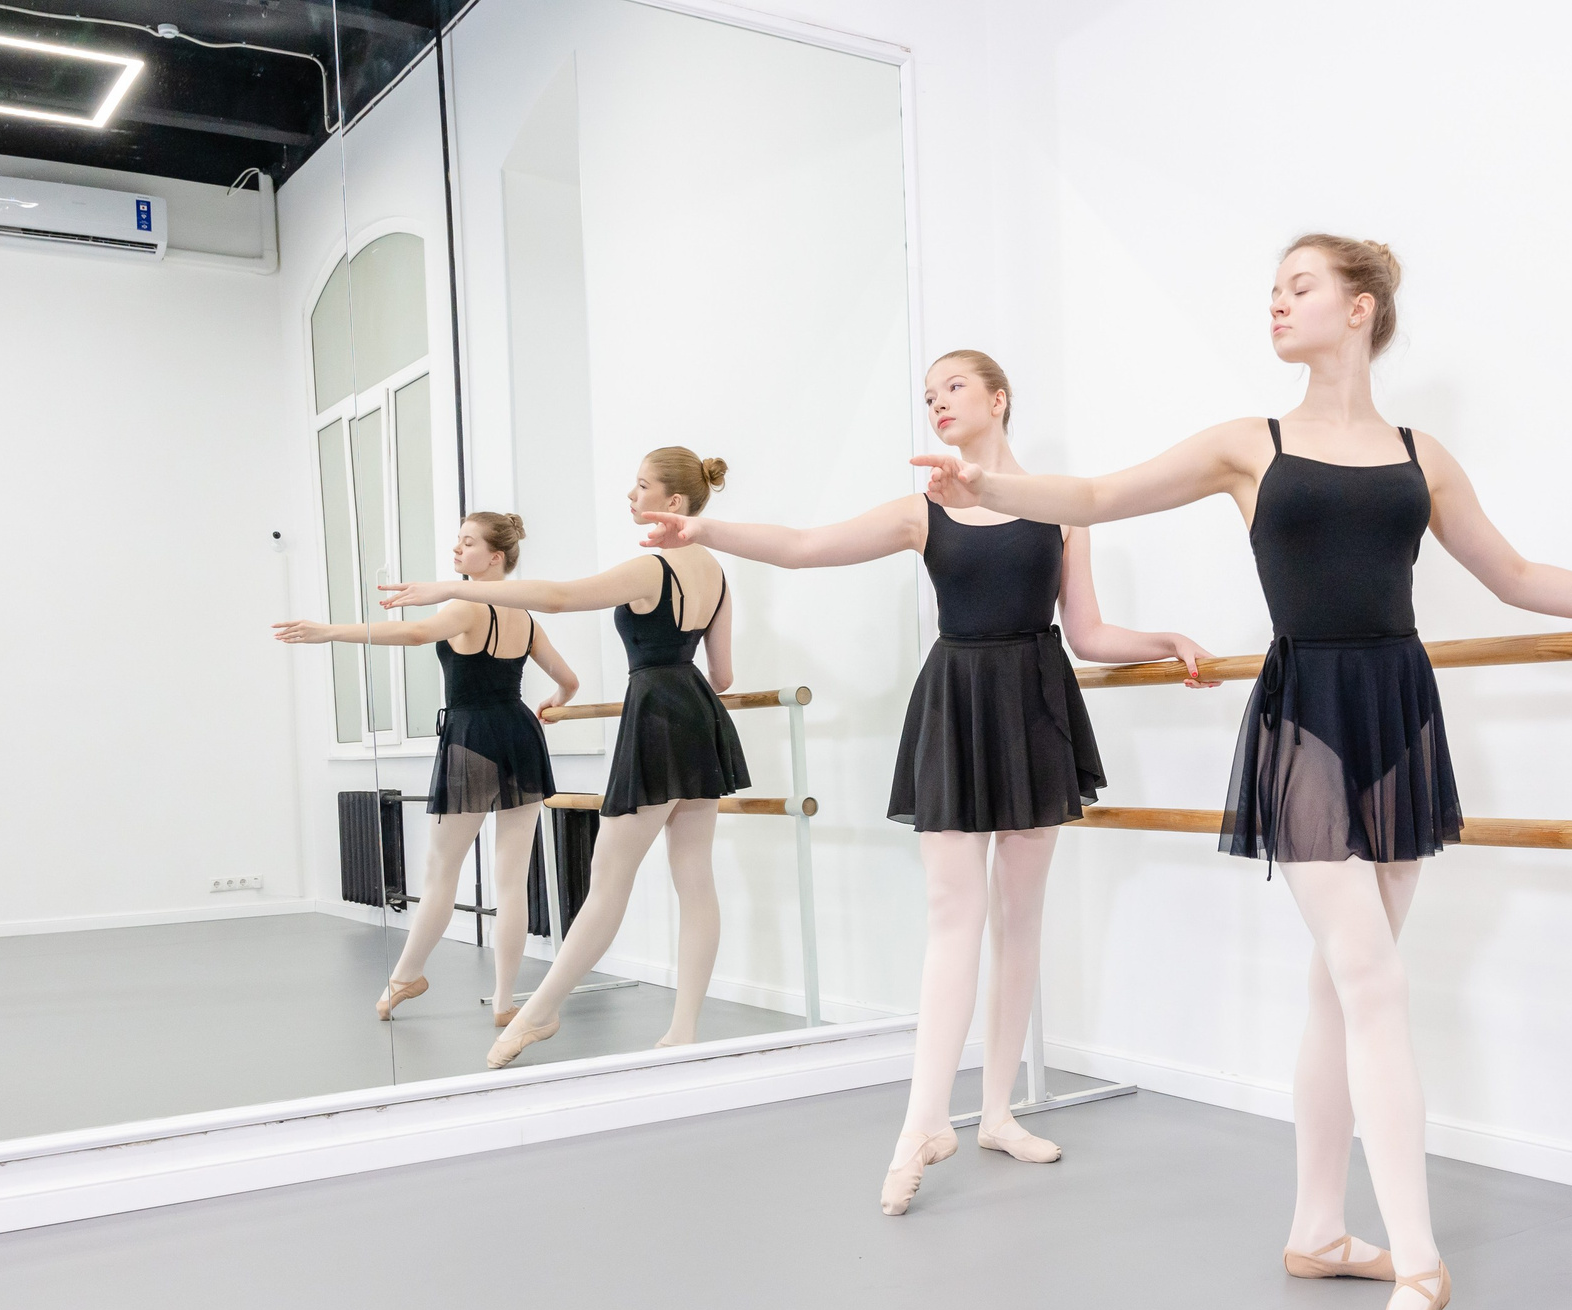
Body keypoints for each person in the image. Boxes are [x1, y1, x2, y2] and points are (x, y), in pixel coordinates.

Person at [911, 239, 1572, 1310]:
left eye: (1299, 287)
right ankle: (1422, 1262)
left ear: (1359, 309)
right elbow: (1093, 496)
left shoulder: (1420, 455)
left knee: (1343, 985)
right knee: (1373, 977)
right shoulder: (1250, 444)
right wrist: (990, 489)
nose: (1275, 304)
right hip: (1309, 714)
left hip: (1399, 709)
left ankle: (1319, 1227)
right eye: (1271, 290)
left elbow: (1514, 575)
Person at [640, 350, 1216, 1215]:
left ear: (998, 398)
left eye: (953, 387)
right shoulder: (924, 509)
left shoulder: (1060, 507)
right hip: (956, 701)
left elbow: (1087, 632)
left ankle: (994, 1112)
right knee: (955, 916)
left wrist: (1164, 638)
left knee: (1021, 919)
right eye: (928, 394)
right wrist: (705, 532)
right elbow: (803, 550)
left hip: (1033, 704)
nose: (938, 403)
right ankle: (921, 1123)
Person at [383, 450, 748, 1067]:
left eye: (641, 487)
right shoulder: (716, 572)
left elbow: (554, 596)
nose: (631, 497)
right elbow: (725, 673)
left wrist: (448, 588)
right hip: (700, 715)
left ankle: (540, 1011)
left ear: (675, 503)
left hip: (656, 714)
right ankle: (683, 1029)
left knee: (608, 881)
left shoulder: (651, 568)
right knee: (696, 879)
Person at [275, 512, 574, 1023]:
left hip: (473, 739)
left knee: (441, 873)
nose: (457, 550)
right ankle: (504, 1002)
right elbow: (568, 680)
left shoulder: (467, 605)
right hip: (520, 736)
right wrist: (551, 703)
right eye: (457, 541)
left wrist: (329, 631)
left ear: (495, 556)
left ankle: (405, 977)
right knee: (510, 879)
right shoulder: (525, 616)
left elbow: (415, 634)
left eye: (468, 543)